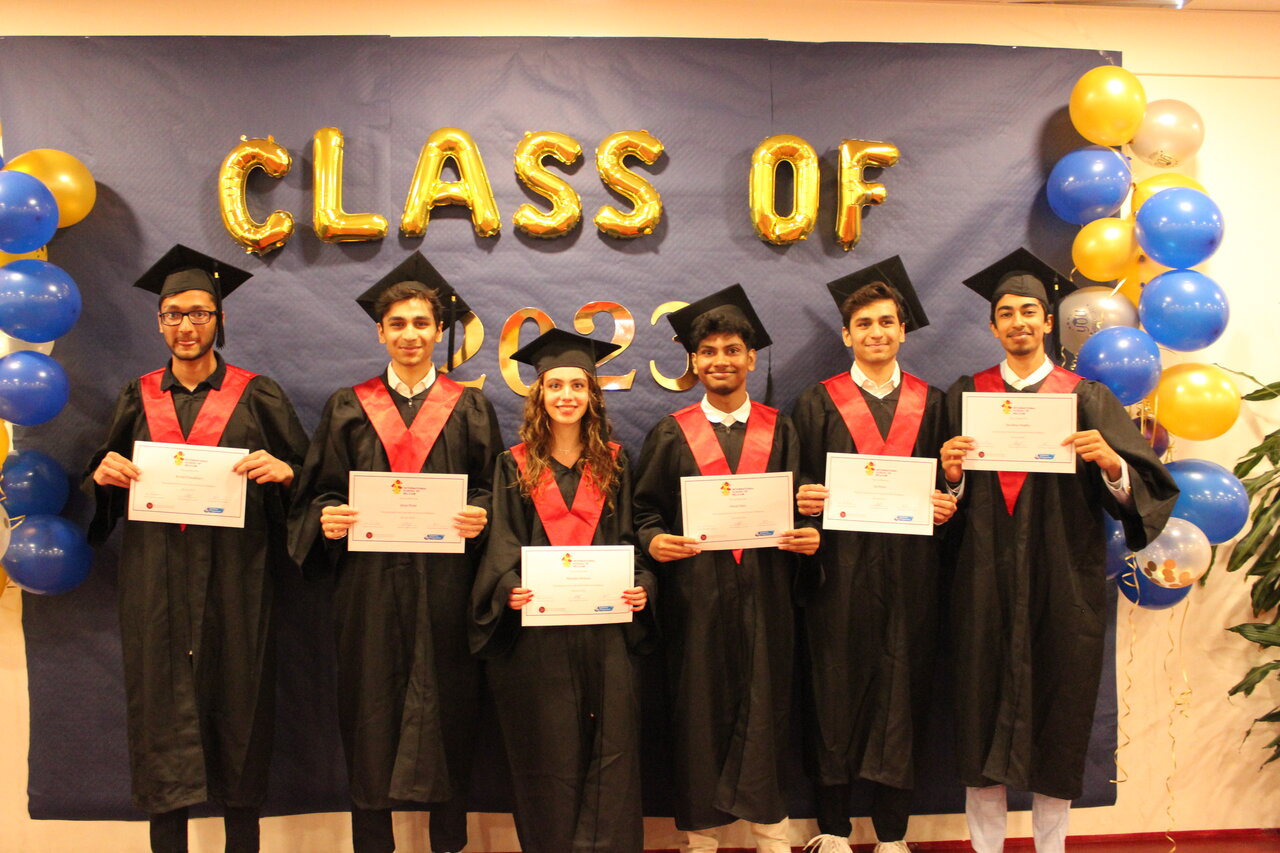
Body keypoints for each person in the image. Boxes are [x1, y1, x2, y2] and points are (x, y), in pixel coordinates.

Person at [940, 249, 1178, 853]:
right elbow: (937, 505)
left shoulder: (1086, 397)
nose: (1018, 322)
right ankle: (985, 847)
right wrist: (952, 477)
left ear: (1048, 322)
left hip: (1063, 581)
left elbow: (1143, 492)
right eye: (1006, 313)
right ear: (992, 326)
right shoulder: (966, 397)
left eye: (1029, 311)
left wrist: (1112, 463)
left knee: (1061, 713)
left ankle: (1052, 847)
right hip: (983, 583)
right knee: (979, 715)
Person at [84, 245, 309, 853]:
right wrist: (102, 477)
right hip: (154, 579)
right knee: (160, 712)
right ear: (159, 321)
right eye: (174, 314)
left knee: (241, 705)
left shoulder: (257, 395)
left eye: (199, 314)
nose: (186, 326)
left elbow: (311, 480)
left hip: (239, 576)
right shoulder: (137, 397)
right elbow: (103, 484)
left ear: (219, 320)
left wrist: (287, 473)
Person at [287, 252, 502, 853]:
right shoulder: (348, 406)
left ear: (440, 331)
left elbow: (493, 489)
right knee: (370, 709)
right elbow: (319, 492)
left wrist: (481, 513)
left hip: (447, 586)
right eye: (398, 324)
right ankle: (372, 843)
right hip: (368, 587)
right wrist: (327, 519)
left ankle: (449, 842)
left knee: (449, 708)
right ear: (380, 332)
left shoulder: (469, 407)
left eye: (421, 323)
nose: (410, 334)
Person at [633, 284, 820, 853]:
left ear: (751, 358)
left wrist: (809, 533)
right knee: (698, 713)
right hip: (698, 599)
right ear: (694, 362)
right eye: (709, 351)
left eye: (732, 350)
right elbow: (644, 512)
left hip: (767, 594)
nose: (721, 361)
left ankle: (772, 832)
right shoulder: (672, 432)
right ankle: (701, 838)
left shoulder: (781, 428)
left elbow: (803, 506)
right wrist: (655, 541)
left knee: (768, 707)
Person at [792, 258, 957, 853]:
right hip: (838, 574)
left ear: (903, 330)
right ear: (846, 334)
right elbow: (795, 483)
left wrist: (949, 496)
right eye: (864, 324)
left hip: (912, 574)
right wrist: (802, 499)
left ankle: (892, 836)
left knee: (903, 693)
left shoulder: (934, 404)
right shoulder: (816, 403)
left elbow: (955, 480)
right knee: (832, 693)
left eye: (887, 322)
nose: (877, 332)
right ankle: (833, 831)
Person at [470, 328, 656, 853]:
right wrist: (508, 588)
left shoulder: (616, 463)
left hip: (606, 631)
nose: (567, 395)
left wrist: (642, 586)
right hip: (539, 637)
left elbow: (633, 539)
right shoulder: (513, 464)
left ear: (592, 395)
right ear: (540, 395)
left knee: (614, 748)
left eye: (578, 385)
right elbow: (501, 545)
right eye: (555, 385)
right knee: (545, 750)